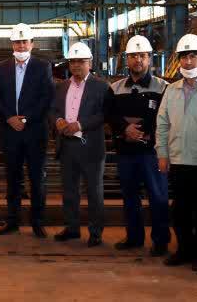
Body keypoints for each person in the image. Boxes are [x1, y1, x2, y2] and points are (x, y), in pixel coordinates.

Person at [106, 35, 169, 255]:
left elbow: (164, 116)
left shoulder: (163, 87)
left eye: (142, 55)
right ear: (127, 59)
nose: (138, 60)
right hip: (126, 152)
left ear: (149, 58)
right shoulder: (115, 88)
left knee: (158, 197)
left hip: (151, 153)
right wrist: (126, 129)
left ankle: (160, 241)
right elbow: (110, 114)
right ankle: (134, 237)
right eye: (133, 56)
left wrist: (143, 132)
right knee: (130, 197)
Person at [0, 23, 55, 238]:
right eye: (17, 42)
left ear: (32, 44)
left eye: (24, 42)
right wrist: (9, 118)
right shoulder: (2, 67)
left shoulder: (43, 66)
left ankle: (37, 222)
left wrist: (26, 119)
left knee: (37, 178)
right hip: (10, 131)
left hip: (34, 131)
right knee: (12, 178)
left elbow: (46, 98)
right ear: (12, 44)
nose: (20, 46)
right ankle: (12, 221)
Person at [156, 33, 197, 272]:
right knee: (180, 211)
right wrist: (162, 153)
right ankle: (184, 250)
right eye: (184, 57)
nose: (188, 62)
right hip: (178, 159)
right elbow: (162, 123)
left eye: (193, 56)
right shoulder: (171, 90)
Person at [50, 42, 112, 247]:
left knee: (94, 191)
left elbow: (104, 114)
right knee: (69, 190)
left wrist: (80, 124)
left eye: (81, 61)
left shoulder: (101, 86)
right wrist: (58, 121)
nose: (76, 65)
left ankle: (95, 232)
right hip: (67, 146)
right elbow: (53, 110)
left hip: (91, 147)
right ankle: (72, 227)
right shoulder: (61, 87)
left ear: (90, 63)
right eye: (73, 61)